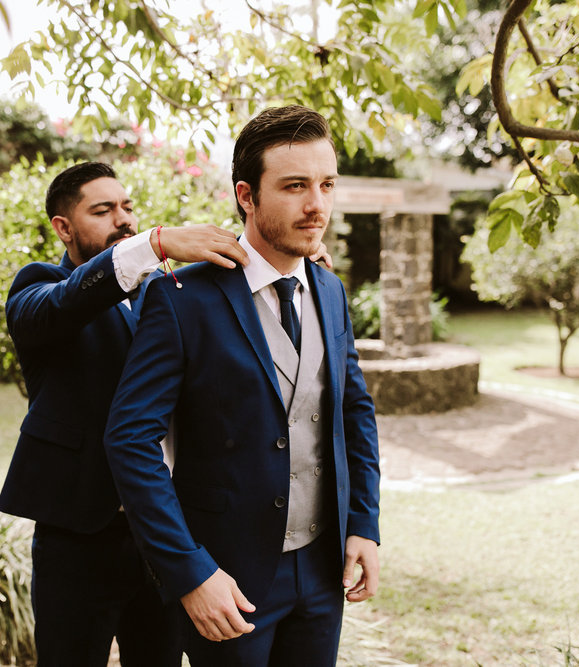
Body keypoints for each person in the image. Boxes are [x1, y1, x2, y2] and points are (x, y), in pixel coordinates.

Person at [103, 105, 381, 666]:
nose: (317, 206)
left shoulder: (330, 290)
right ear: (246, 196)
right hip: (228, 582)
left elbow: (354, 411)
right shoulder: (183, 299)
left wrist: (364, 524)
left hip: (323, 573)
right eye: (296, 186)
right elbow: (129, 441)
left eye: (327, 184)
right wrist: (189, 572)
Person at [0, 160, 250, 666]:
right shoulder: (40, 287)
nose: (124, 219)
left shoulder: (164, 296)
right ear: (63, 228)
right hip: (78, 534)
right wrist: (155, 243)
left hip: (163, 532)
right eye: (104, 209)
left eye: (128, 207)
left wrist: (293, 264)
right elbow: (67, 302)